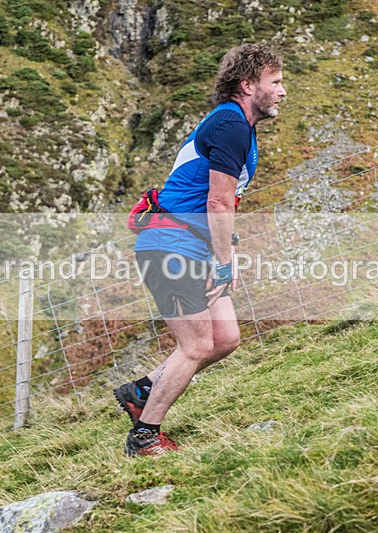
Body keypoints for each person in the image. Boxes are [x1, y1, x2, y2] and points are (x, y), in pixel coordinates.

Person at [114, 43, 286, 456]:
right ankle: (144, 438)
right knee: (195, 347)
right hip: (171, 245)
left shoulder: (238, 125)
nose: (283, 92)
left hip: (193, 245)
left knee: (225, 337)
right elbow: (218, 202)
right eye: (275, 83)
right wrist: (226, 263)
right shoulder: (231, 124)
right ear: (247, 85)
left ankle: (142, 391)